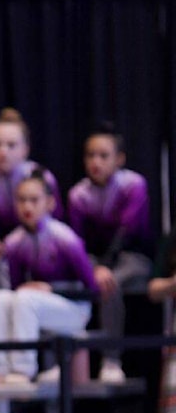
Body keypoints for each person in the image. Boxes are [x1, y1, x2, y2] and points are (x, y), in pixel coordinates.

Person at [0, 169, 100, 383]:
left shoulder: (65, 239)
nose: (27, 206)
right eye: (22, 200)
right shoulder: (14, 242)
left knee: (26, 299)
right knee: (0, 298)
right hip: (36, 307)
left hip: (74, 309)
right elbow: (15, 288)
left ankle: (22, 369)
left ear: (50, 203)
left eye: (34, 200)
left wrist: (51, 290)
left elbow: (92, 291)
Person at [67, 124, 152, 382]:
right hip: (94, 260)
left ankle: (111, 360)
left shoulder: (134, 185)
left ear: (120, 159)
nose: (96, 162)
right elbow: (77, 243)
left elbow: (127, 233)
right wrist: (93, 267)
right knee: (93, 279)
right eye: (90, 155)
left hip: (134, 258)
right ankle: (69, 363)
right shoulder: (78, 195)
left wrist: (102, 270)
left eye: (103, 156)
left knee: (109, 282)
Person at [0, 108, 63, 268]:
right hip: (2, 255)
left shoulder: (42, 177)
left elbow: (56, 222)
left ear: (25, 149)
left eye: (11, 145)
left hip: (44, 250)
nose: (3, 151)